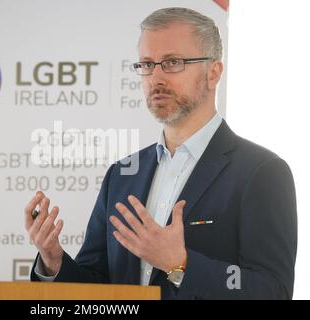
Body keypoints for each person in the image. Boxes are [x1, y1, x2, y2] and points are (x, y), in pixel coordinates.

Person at [23, 7, 297, 300]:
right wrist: (54, 261)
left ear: (213, 72)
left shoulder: (261, 171)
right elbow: (98, 286)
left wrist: (180, 265)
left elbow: (272, 290)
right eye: (147, 64)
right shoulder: (123, 174)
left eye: (172, 62)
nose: (156, 77)